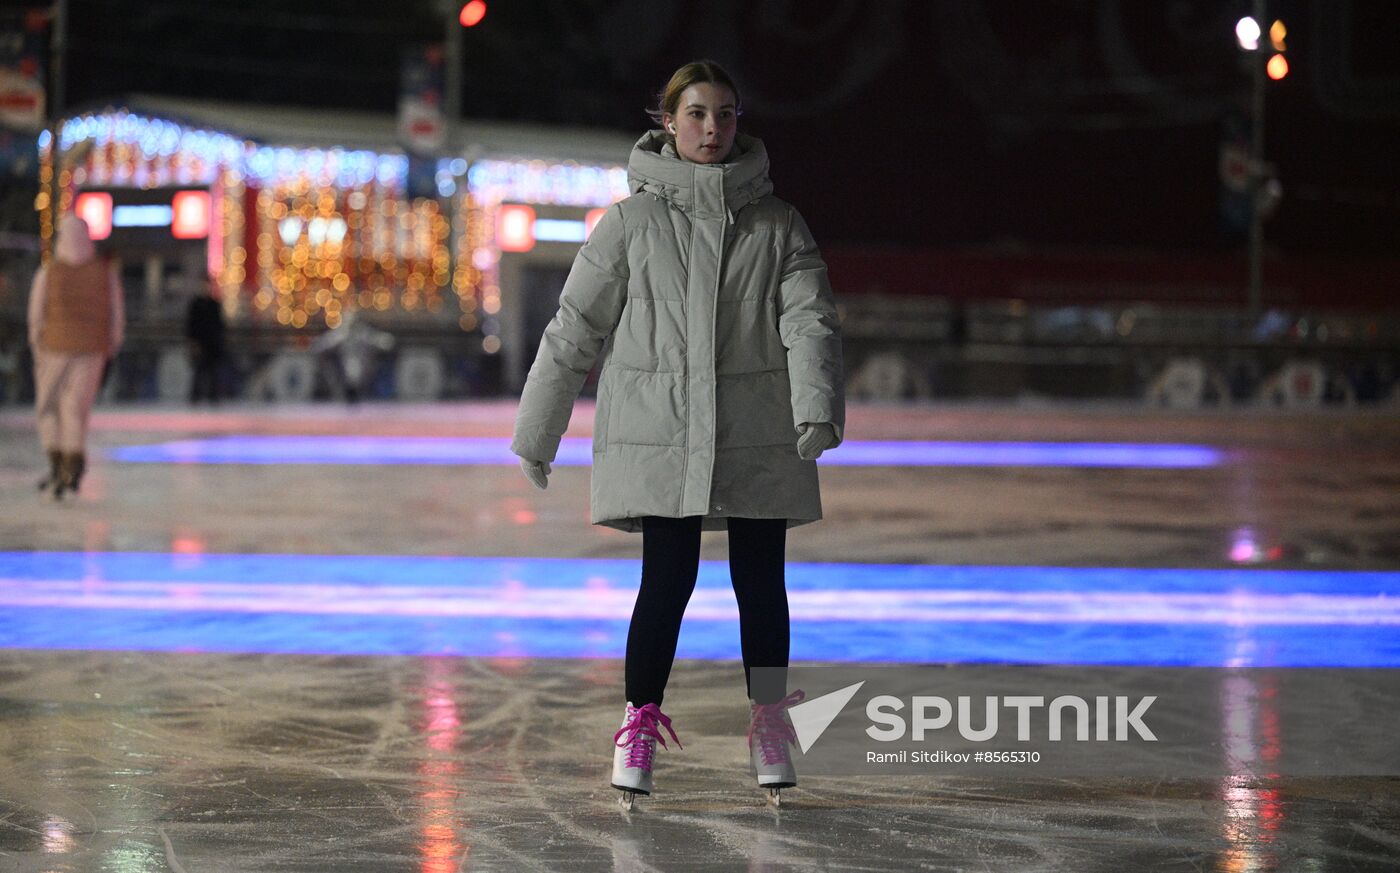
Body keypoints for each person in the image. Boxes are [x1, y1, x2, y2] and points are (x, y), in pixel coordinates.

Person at [511, 60, 844, 808]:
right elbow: (576, 328)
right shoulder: (629, 224)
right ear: (668, 121)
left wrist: (815, 405)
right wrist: (539, 430)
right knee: (668, 579)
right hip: (663, 430)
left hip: (756, 431)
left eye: (725, 114)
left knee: (761, 584)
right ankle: (636, 723)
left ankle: (767, 721)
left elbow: (810, 320)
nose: (711, 129)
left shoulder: (777, 224)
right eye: (696, 114)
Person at [27, 213, 124, 500]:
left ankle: (58, 461)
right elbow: (116, 315)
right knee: (75, 407)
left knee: (48, 406)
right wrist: (110, 346)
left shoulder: (49, 272)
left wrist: (37, 345)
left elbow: (36, 313)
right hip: (92, 349)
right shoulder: (104, 273)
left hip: (54, 348)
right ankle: (72, 462)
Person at [185, 285, 227, 404]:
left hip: (213, 344)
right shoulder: (196, 304)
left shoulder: (215, 304)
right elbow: (191, 325)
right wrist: (193, 342)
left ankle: (214, 397)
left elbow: (220, 326)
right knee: (199, 371)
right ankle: (195, 397)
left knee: (213, 372)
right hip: (200, 343)